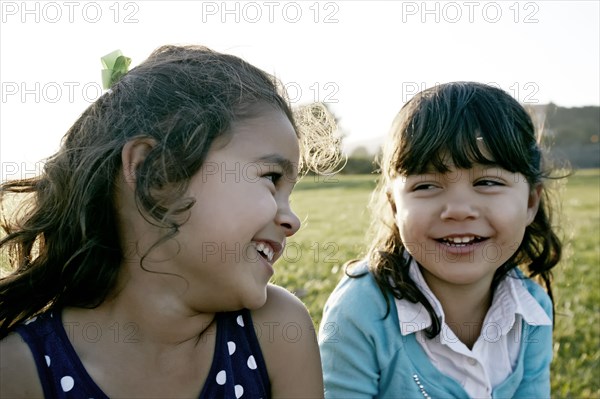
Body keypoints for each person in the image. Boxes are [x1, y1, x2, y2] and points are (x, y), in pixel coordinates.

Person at [0, 44, 340, 398]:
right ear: (156, 172)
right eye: (271, 178)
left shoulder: (277, 331)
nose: (292, 219)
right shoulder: (20, 370)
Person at [318, 82, 562, 398]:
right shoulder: (361, 310)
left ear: (531, 202)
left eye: (487, 181)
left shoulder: (531, 312)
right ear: (395, 206)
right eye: (426, 186)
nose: (458, 210)